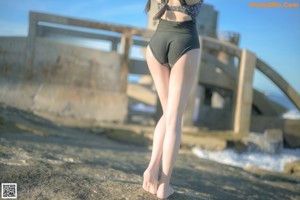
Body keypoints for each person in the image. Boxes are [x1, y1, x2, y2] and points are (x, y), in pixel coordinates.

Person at [142, 0, 204, 199]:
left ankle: (151, 169)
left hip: (156, 43)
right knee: (175, 119)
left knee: (168, 114)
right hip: (184, 42)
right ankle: (164, 185)